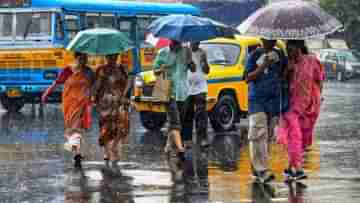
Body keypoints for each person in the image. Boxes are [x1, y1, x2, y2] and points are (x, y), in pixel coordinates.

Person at [277, 40, 324, 180]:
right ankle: (297, 168)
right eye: (288, 49)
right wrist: (287, 71)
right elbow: (281, 81)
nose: (289, 52)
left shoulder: (312, 61)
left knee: (301, 139)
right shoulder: (287, 63)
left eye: (291, 49)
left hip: (309, 107)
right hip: (291, 106)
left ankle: (290, 168)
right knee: (295, 135)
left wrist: (319, 98)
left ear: (299, 47)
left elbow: (319, 80)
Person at [42, 52, 95, 169]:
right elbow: (57, 83)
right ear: (76, 58)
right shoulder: (67, 70)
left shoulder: (89, 72)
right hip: (69, 103)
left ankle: (76, 152)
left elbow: (93, 86)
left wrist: (92, 96)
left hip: (83, 103)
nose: (83, 61)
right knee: (73, 129)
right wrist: (47, 93)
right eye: (81, 58)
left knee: (77, 128)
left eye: (85, 58)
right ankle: (77, 153)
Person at [245, 38, 286, 183]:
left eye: (274, 39)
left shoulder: (280, 55)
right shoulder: (254, 55)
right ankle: (262, 169)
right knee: (258, 132)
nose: (272, 42)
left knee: (267, 136)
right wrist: (263, 66)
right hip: (257, 100)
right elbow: (247, 77)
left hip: (273, 101)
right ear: (262, 39)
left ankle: (257, 167)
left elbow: (283, 74)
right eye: (269, 39)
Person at [153, 40, 192, 182]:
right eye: (175, 41)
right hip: (169, 91)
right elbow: (155, 70)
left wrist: (191, 63)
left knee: (177, 122)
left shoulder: (186, 51)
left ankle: (168, 147)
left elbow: (191, 68)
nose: (178, 43)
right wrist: (162, 68)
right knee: (175, 122)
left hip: (184, 91)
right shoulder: (162, 53)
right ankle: (180, 150)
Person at [92, 53, 130, 166]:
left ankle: (114, 147)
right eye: (109, 57)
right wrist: (100, 78)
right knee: (105, 127)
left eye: (114, 56)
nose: (112, 59)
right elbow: (96, 86)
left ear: (117, 56)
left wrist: (124, 94)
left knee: (122, 125)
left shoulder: (122, 68)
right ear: (106, 57)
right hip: (105, 102)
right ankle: (106, 152)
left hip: (120, 101)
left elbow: (128, 82)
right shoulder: (100, 69)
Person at [182, 41, 210, 186]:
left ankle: (202, 138)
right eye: (194, 40)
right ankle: (186, 139)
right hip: (187, 88)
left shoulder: (203, 52)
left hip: (201, 88)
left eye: (198, 41)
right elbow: (190, 68)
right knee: (187, 115)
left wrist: (204, 63)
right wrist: (188, 61)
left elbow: (206, 71)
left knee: (201, 114)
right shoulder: (185, 52)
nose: (196, 43)